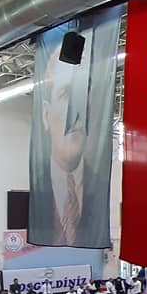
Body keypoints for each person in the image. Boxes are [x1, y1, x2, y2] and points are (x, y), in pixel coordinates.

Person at [28, 36, 112, 248]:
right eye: (66, 95)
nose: (76, 114)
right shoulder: (37, 190)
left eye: (83, 97)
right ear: (46, 114)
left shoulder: (101, 188)